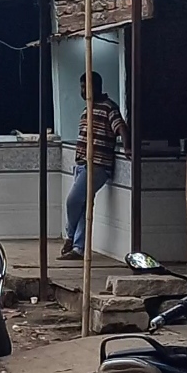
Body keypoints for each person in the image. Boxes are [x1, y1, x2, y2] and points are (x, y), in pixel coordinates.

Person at [60, 72, 131, 261]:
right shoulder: (87, 109)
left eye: (87, 87)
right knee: (83, 206)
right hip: (82, 164)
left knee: (73, 201)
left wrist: (127, 147)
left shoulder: (109, 108)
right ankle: (78, 248)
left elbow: (121, 127)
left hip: (97, 164)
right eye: (82, 87)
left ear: (97, 87)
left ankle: (69, 236)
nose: (83, 91)